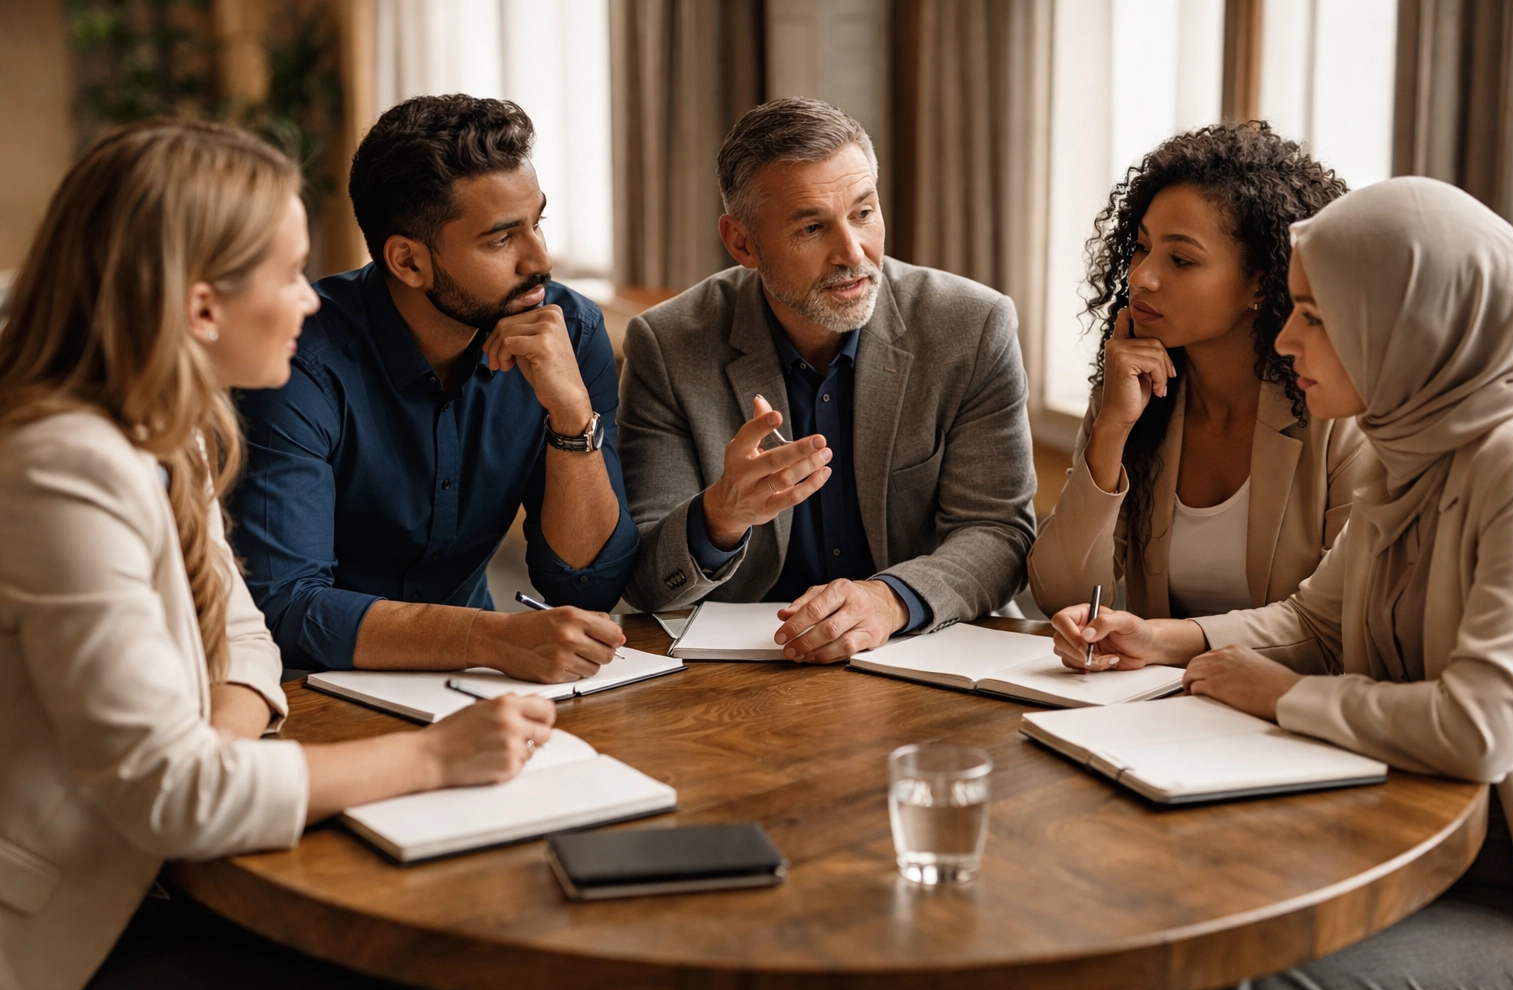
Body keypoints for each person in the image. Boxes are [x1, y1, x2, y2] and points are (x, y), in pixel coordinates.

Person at [0, 120, 553, 990]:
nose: (309, 299)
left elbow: (244, 631)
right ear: (202, 309)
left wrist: (216, 755)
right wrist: (433, 755)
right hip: (62, 937)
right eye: (291, 273)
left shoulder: (163, 425)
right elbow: (170, 795)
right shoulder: (62, 467)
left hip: (158, 872)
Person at [1054, 177, 1513, 990]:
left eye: (1314, 315)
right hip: (1411, 843)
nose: (1285, 336)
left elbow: (1481, 727)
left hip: (1510, 887)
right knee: (1140, 920)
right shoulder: (1412, 442)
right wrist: (1162, 640)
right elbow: (1316, 619)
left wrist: (1283, 696)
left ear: (1410, 324)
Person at [229, 94, 634, 681]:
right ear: (409, 262)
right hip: (311, 688)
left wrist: (572, 416)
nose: (540, 260)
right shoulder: (297, 362)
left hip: (476, 679)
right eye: (501, 240)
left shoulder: (569, 332)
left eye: (537, 223)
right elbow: (287, 607)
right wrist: (491, 638)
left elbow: (588, 585)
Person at [618, 97, 1036, 662]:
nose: (852, 252)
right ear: (742, 243)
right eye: (813, 227)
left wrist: (889, 601)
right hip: (748, 673)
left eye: (863, 213)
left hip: (930, 650)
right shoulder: (668, 345)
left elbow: (1000, 533)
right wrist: (722, 515)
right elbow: (644, 582)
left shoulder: (971, 326)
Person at [1028, 123, 1369, 619]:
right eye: (1141, 246)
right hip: (1149, 672)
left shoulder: (1337, 413)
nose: (1141, 276)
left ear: (1261, 283)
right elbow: (1061, 597)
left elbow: (1342, 622)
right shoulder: (1129, 396)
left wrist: (1168, 643)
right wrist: (1112, 429)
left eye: (1182, 260)